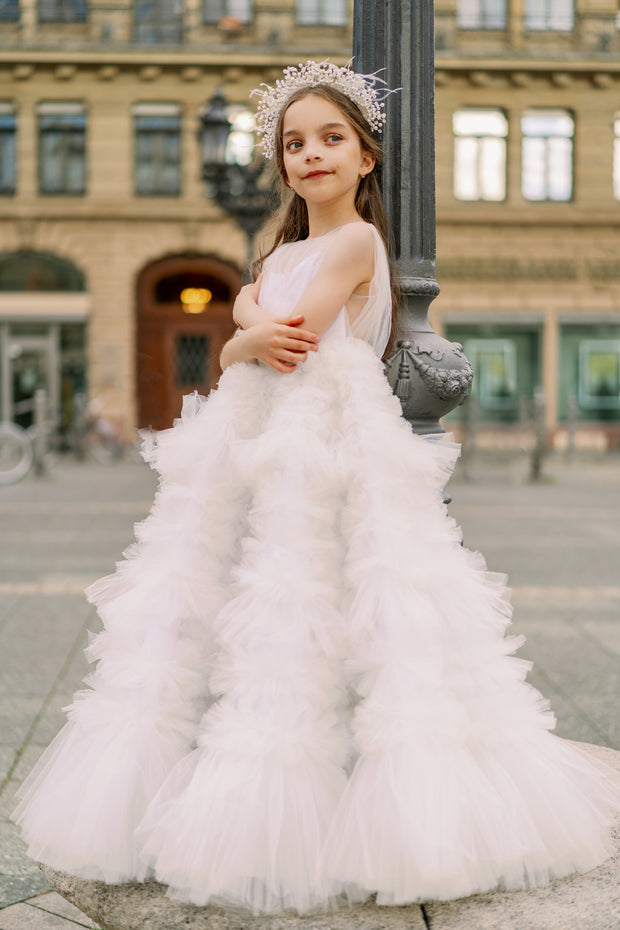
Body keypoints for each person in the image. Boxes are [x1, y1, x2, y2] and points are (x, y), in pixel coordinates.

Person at [13, 60, 620, 917]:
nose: (311, 155)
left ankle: (352, 785)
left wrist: (246, 326)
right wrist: (243, 332)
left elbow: (280, 330)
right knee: (235, 595)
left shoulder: (355, 243)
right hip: (256, 442)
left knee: (334, 593)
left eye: (331, 139)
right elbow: (241, 338)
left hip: (327, 444)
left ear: (366, 158)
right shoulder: (281, 249)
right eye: (294, 144)